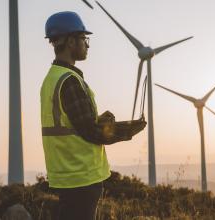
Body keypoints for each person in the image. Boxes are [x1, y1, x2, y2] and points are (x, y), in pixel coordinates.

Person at [40, 11, 146, 220]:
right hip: (81, 176)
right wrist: (127, 130)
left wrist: (99, 119)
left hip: (66, 175)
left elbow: (72, 124)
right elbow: (90, 132)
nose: (87, 44)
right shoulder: (69, 80)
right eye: (83, 39)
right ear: (71, 42)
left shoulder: (52, 79)